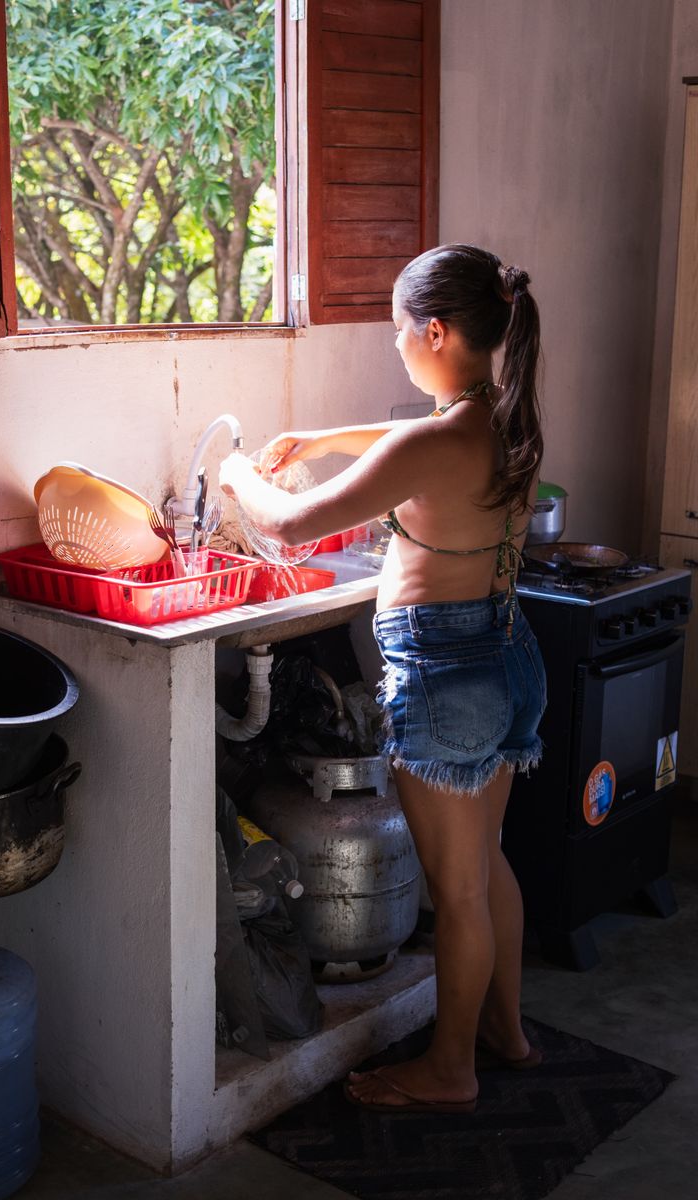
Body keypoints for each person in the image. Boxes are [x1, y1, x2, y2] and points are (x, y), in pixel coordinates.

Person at [219, 243, 547, 1114]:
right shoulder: (503, 414)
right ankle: (505, 1033)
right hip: (506, 653)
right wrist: (327, 438)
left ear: (435, 331)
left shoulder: (442, 441)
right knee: (488, 863)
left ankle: (450, 1071)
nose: (394, 346)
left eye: (399, 333)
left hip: (448, 673)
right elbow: (416, 443)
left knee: (458, 889)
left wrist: (237, 475)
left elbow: (289, 525)